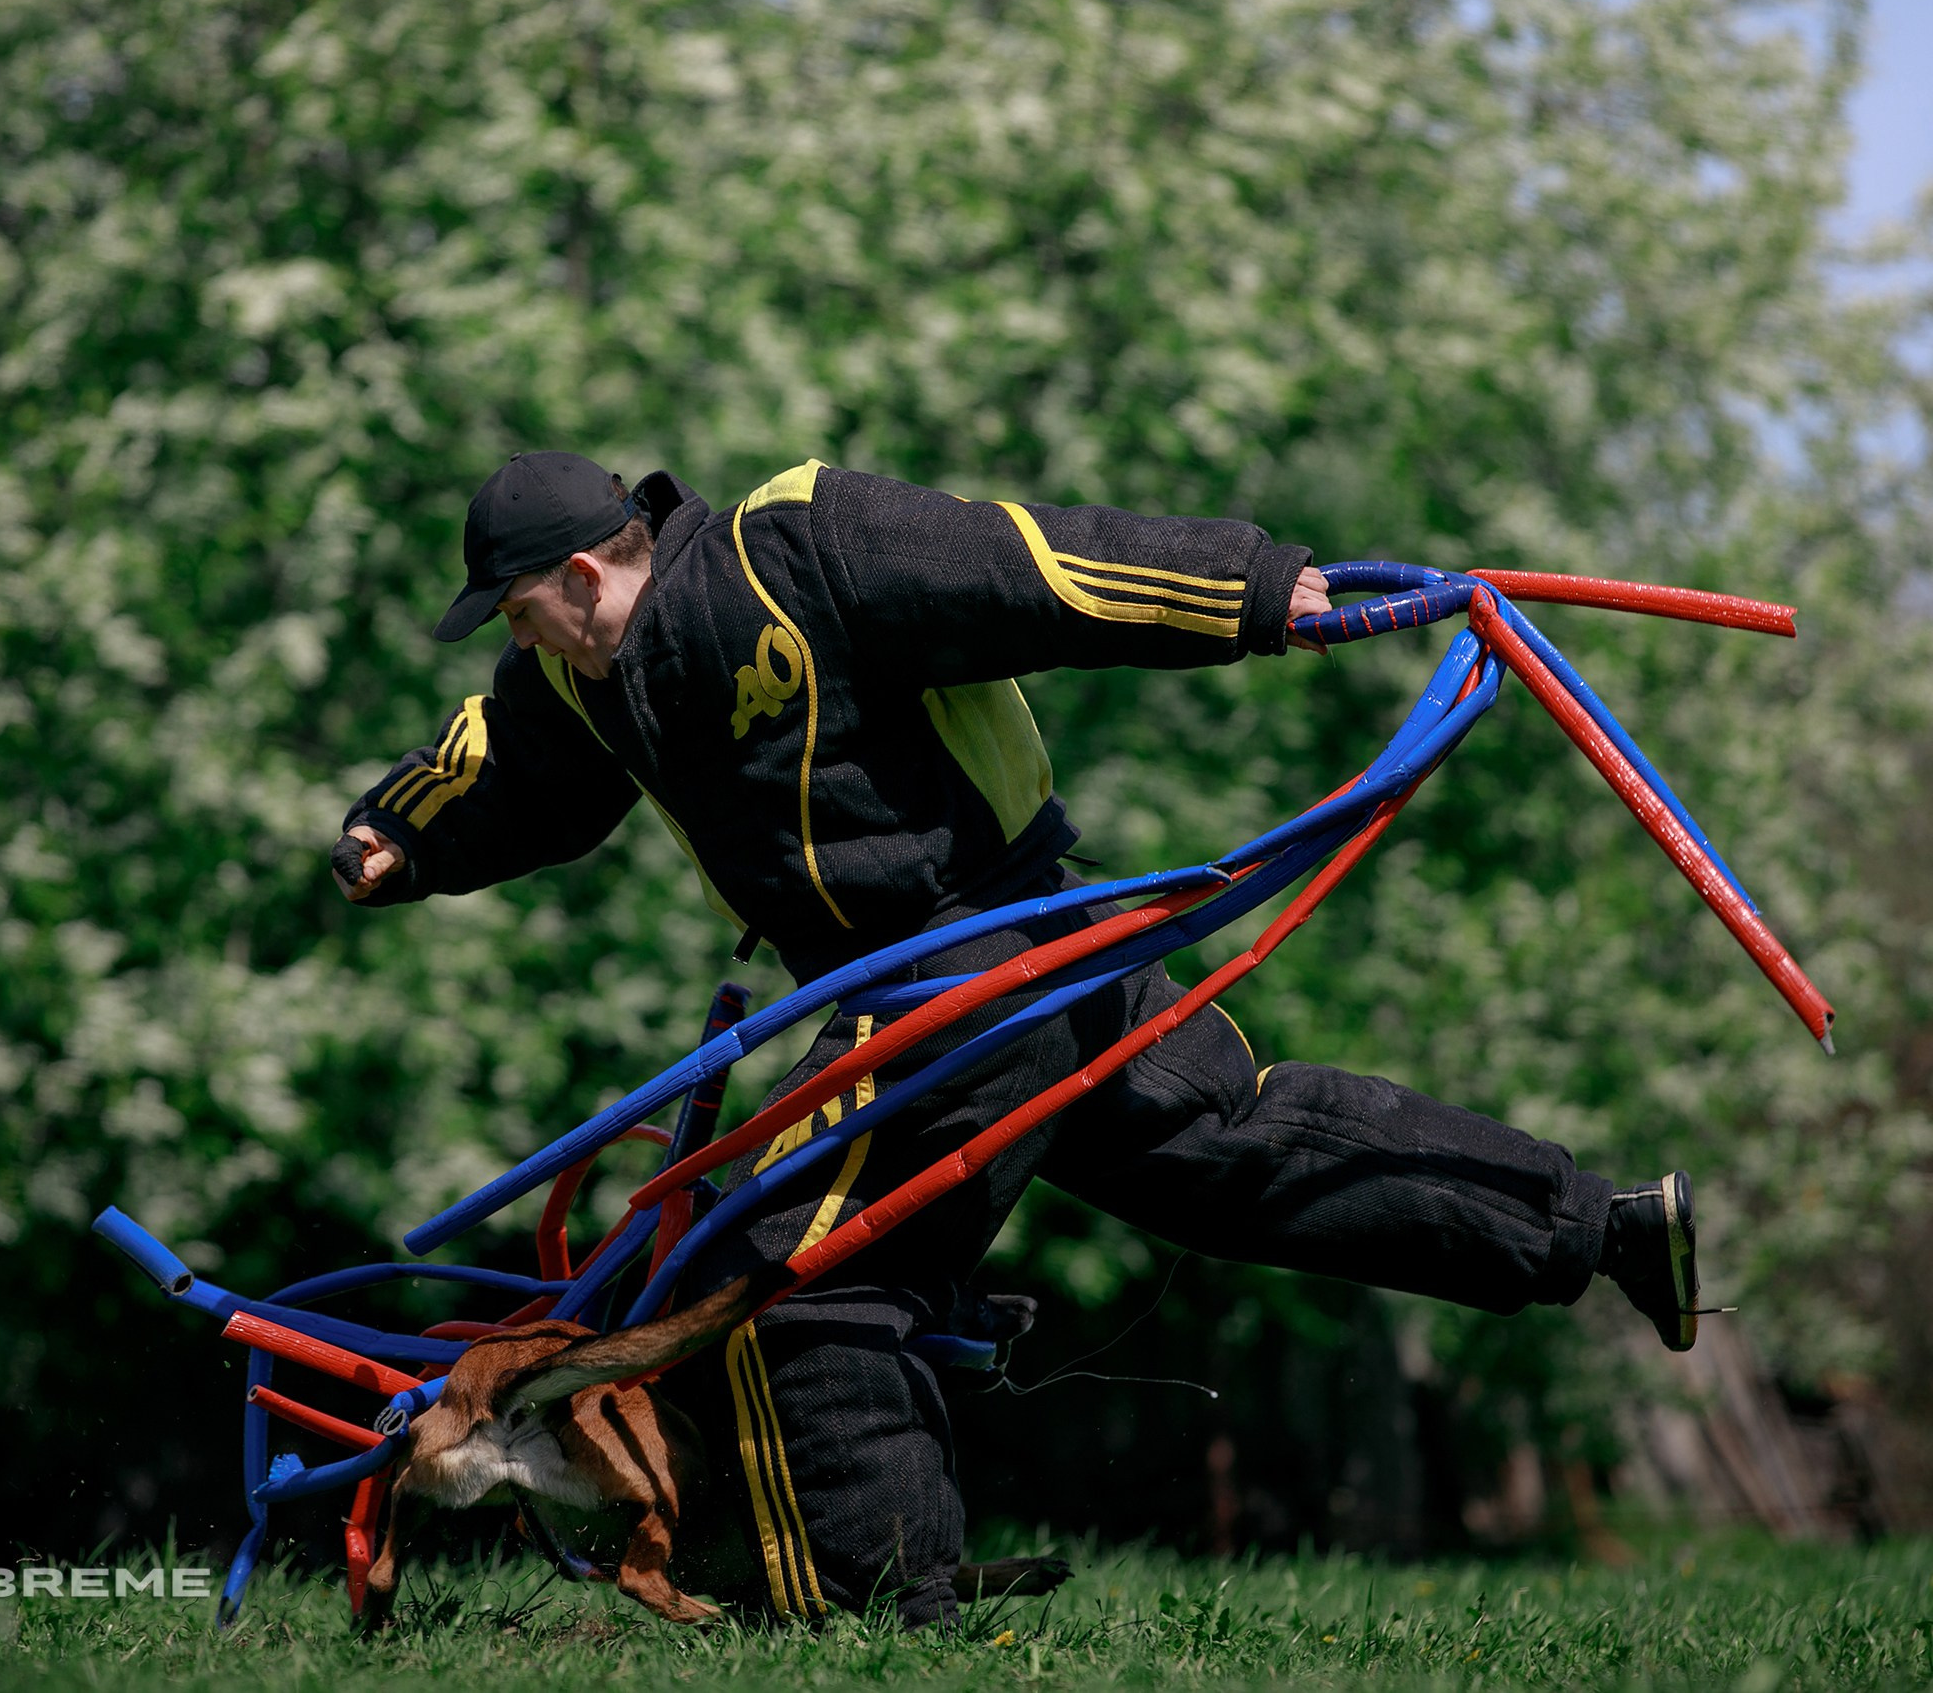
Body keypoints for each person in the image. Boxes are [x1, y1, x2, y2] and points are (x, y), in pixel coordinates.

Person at [335, 451, 1705, 1625]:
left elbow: (1031, 567)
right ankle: (1602, 1224)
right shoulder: (589, 680)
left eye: (521, 613)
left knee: (791, 1281)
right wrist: (400, 830)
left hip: (968, 962)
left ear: (583, 573)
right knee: (1239, 1145)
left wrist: (1246, 586)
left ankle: (873, 1615)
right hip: (1013, 971)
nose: (523, 644)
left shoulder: (794, 547)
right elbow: (506, 758)